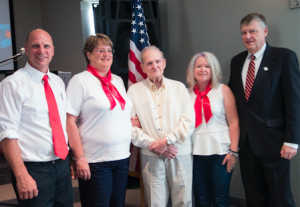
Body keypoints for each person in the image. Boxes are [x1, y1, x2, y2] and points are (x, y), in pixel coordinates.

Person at [228, 13, 300, 207]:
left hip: (275, 143)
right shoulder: (237, 62)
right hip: (247, 144)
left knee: (280, 196)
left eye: (253, 31)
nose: (248, 36)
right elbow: (231, 101)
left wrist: (292, 141)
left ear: (265, 31)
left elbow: (294, 101)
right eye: (244, 32)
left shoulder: (285, 57)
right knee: (254, 196)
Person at [0, 29, 73, 206]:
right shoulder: (11, 84)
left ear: (53, 50)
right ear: (26, 49)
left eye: (46, 46)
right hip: (33, 170)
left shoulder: (57, 82)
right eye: (35, 46)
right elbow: (7, 134)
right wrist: (21, 175)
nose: (42, 50)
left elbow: (61, 124)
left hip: (62, 165)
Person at [66, 33, 133, 207]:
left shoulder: (117, 80)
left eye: (109, 50)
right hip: (95, 160)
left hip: (121, 156)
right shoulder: (79, 81)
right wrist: (78, 157)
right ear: (88, 54)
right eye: (100, 50)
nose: (106, 54)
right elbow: (69, 122)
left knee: (117, 204)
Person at [127, 46, 195, 207]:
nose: (154, 66)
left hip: (179, 152)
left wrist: (166, 142)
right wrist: (154, 145)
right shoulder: (134, 91)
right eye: (149, 63)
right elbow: (130, 126)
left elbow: (188, 121)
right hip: (151, 155)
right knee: (155, 202)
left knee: (183, 200)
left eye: (157, 61)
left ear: (164, 63)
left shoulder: (179, 88)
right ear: (142, 67)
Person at [186, 52, 239, 207]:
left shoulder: (223, 90)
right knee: (201, 199)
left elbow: (234, 122)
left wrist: (233, 152)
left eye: (207, 66)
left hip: (221, 153)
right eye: (199, 66)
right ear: (192, 70)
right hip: (194, 153)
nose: (203, 69)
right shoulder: (185, 93)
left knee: (220, 200)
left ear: (214, 70)